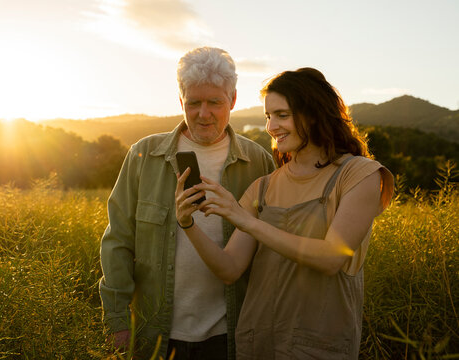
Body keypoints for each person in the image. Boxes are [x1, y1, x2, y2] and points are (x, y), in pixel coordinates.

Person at [175, 67, 394, 359]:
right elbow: (229, 269)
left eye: (282, 115)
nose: (271, 127)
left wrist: (247, 221)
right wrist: (187, 223)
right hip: (257, 343)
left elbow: (332, 258)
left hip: (319, 347)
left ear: (313, 114)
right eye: (268, 117)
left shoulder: (359, 175)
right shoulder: (263, 186)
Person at [99, 46, 275, 360]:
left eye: (215, 102)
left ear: (232, 100)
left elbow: (272, 250)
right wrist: (117, 321)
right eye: (193, 103)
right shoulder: (145, 156)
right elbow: (117, 242)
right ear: (181, 100)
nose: (203, 113)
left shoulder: (258, 162)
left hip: (231, 336)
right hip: (156, 335)